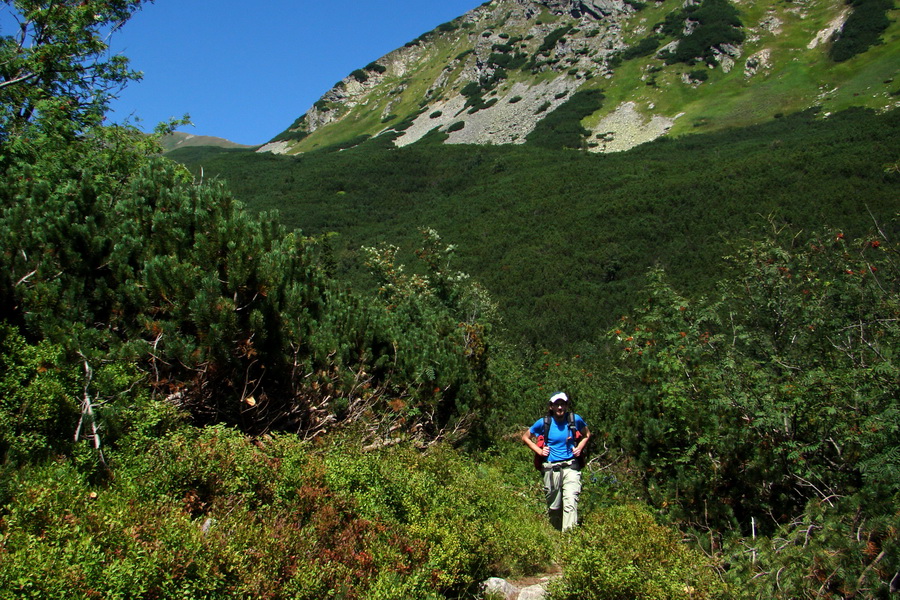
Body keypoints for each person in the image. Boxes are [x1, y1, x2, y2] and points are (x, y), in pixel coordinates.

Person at [522, 392, 590, 531]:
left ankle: (569, 541)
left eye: (563, 404)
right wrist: (539, 451)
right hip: (551, 468)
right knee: (554, 507)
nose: (560, 407)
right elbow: (525, 437)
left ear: (566, 406)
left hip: (571, 466)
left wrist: (579, 447)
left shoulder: (574, 419)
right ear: (551, 407)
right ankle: (556, 536)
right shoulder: (544, 422)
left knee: (570, 502)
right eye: (557, 405)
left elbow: (586, 434)